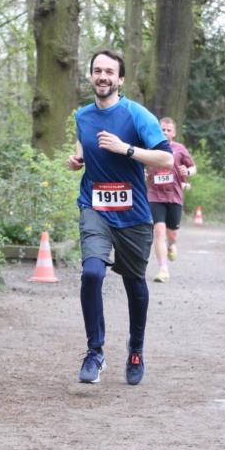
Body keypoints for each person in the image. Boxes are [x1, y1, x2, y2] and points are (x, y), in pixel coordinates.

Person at [67, 51, 172, 386]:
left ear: (120, 79)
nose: (103, 76)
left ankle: (136, 348)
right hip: (94, 206)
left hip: (133, 214)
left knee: (134, 282)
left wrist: (125, 148)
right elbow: (83, 142)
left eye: (109, 71)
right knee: (92, 273)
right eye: (97, 70)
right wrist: (78, 159)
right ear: (91, 76)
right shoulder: (83, 115)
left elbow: (166, 160)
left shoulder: (137, 115)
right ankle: (95, 352)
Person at [147, 117, 196, 283]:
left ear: (173, 133)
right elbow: (139, 163)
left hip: (174, 195)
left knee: (172, 233)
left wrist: (187, 172)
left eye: (168, 130)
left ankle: (171, 245)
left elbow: (193, 167)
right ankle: (163, 269)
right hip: (155, 195)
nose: (165, 132)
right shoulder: (150, 147)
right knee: (158, 231)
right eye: (162, 129)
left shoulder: (179, 149)